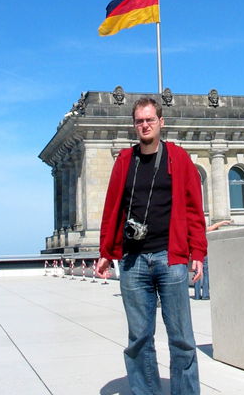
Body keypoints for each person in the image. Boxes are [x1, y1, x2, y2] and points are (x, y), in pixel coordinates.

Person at [97, 96, 207, 395]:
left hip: (169, 258)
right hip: (133, 261)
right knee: (139, 340)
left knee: (182, 338)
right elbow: (112, 209)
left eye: (149, 120)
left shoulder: (179, 158)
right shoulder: (124, 160)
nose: (144, 125)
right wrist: (106, 252)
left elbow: (193, 208)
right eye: (139, 121)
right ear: (134, 125)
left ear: (161, 122)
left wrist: (197, 251)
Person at [194, 220, 232, 300]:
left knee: (196, 274)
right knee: (206, 274)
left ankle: (197, 295)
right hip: (204, 253)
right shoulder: (203, 230)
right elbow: (213, 226)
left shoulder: (194, 231)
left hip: (195, 253)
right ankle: (205, 295)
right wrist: (224, 222)